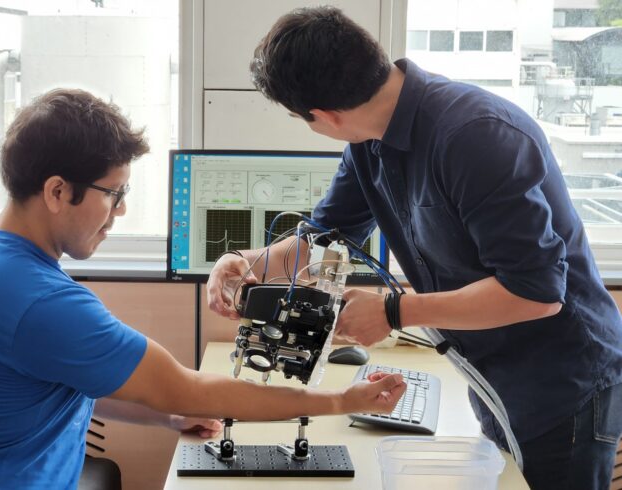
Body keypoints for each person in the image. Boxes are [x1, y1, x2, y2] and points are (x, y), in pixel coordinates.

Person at [206, 7, 622, 490]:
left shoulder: (475, 136)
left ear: (324, 116)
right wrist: (240, 262)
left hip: (559, 382)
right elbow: (322, 238)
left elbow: (537, 292)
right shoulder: (369, 141)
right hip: (491, 371)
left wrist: (393, 311)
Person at [0, 88, 407, 489]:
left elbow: (70, 378)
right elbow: (189, 388)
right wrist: (345, 402)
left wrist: (169, 417)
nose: (120, 212)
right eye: (115, 194)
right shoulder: (37, 300)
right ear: (58, 191)